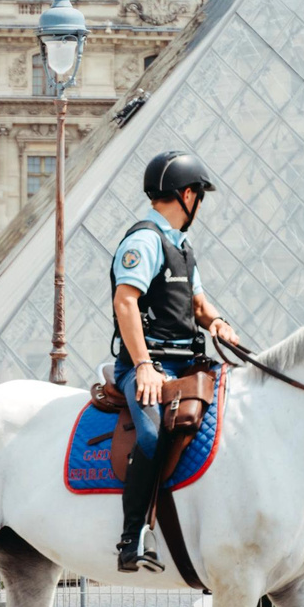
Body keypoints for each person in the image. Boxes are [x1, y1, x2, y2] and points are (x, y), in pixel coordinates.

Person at [108, 149, 241, 572]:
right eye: (199, 195)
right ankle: (132, 539)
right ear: (187, 195)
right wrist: (144, 365)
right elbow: (125, 302)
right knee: (152, 435)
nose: (199, 204)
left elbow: (199, 304)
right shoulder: (146, 240)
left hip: (187, 364)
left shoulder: (182, 247)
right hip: (150, 366)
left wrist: (218, 322)